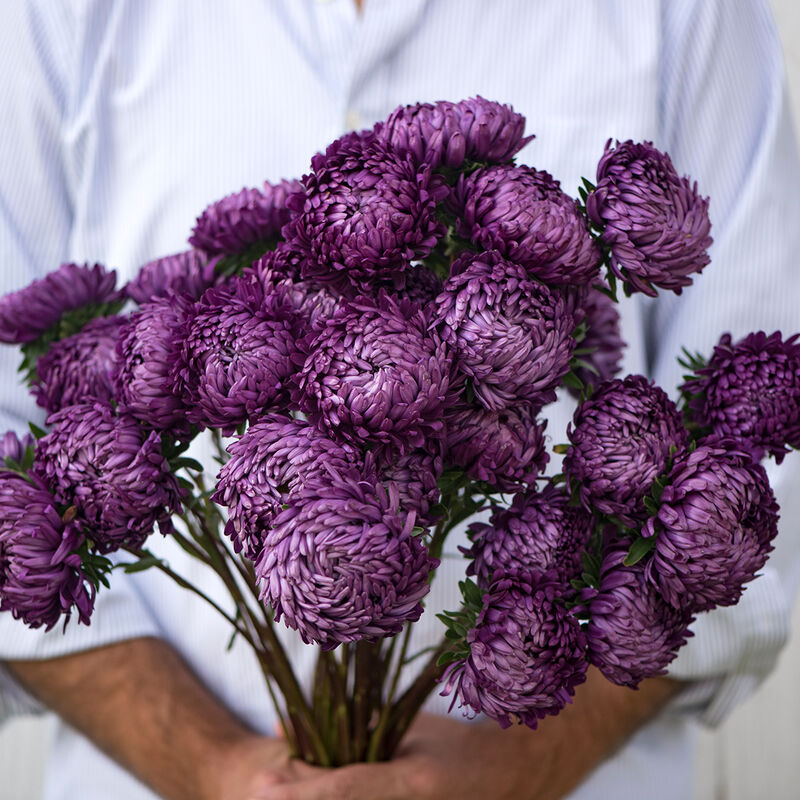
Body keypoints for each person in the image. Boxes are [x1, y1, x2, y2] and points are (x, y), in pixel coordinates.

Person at [1, 1, 799, 798]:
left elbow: (766, 503)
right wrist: (210, 770)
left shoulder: (691, 15)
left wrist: (513, 773)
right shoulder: (57, 16)